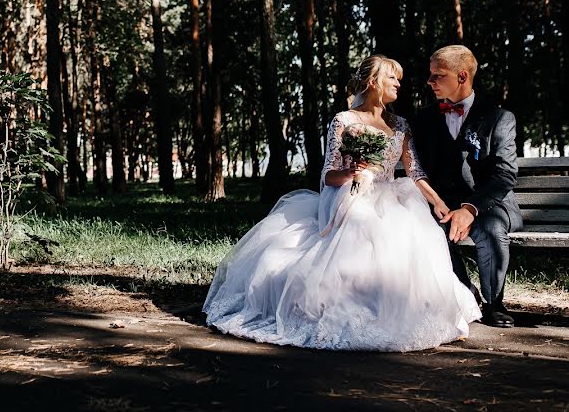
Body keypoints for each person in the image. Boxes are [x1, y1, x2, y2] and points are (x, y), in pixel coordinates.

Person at [202, 55, 480, 352]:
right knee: (361, 230)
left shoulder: (400, 124)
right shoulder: (344, 120)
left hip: (391, 196)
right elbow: (327, 176)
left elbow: (415, 172)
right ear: (373, 82)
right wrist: (350, 173)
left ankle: (398, 308)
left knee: (410, 232)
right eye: (392, 78)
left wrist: (437, 201)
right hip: (350, 196)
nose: (399, 84)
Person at [412, 45, 522, 328]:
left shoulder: (499, 118)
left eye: (438, 76)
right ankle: (465, 294)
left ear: (462, 76)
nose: (430, 82)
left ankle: (493, 303)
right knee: (426, 232)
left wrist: (470, 208)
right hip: (443, 205)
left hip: (489, 204)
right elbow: (417, 167)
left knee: (492, 230)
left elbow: (505, 174)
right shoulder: (423, 120)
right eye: (430, 75)